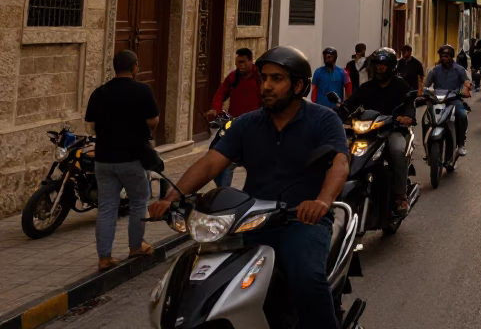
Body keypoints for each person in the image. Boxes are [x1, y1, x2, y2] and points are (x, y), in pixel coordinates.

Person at [148, 46, 349, 329]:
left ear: (299, 86)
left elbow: (339, 164)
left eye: (276, 79)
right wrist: (172, 198)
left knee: (307, 278)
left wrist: (321, 202)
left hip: (301, 221)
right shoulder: (246, 124)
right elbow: (210, 164)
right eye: (264, 78)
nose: (266, 86)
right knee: (209, 282)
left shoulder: (323, 120)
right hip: (250, 222)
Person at [86, 49, 160, 270]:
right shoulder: (142, 91)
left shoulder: (100, 92)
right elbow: (153, 120)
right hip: (133, 158)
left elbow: (90, 124)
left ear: (114, 68)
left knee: (107, 207)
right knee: (139, 201)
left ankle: (104, 257)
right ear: (135, 67)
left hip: (104, 159)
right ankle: (136, 246)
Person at [340, 48, 416, 213]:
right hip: (368, 132)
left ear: (391, 66)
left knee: (397, 151)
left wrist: (407, 117)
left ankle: (400, 198)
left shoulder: (400, 85)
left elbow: (409, 105)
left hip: (392, 130)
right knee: (342, 150)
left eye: (383, 64)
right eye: (377, 64)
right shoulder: (366, 87)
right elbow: (350, 104)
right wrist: (336, 113)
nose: (380, 68)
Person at [207, 48, 262, 189]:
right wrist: (216, 109)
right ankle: (223, 193)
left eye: (242, 62)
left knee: (255, 163)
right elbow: (220, 93)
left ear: (251, 60)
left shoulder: (260, 77)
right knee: (219, 157)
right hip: (234, 124)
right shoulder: (234, 77)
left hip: (256, 125)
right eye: (237, 63)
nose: (239, 66)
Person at [424, 45, 472, 156]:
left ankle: (460, 144)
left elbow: (466, 82)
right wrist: (423, 92)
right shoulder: (435, 70)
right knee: (425, 118)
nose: (443, 58)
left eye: (446, 56)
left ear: (451, 57)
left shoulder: (459, 69)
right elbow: (426, 85)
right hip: (437, 101)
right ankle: (426, 144)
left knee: (462, 115)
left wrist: (466, 88)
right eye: (442, 56)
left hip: (453, 99)